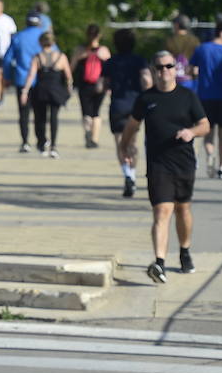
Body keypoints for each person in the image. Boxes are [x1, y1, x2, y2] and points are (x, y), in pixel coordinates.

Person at [118, 51, 210, 284]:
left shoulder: (188, 96)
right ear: (153, 70)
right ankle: (159, 262)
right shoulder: (146, 99)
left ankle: (185, 250)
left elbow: (205, 125)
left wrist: (191, 132)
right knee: (162, 211)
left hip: (184, 162)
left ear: (175, 69)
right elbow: (132, 125)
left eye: (168, 66)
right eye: (159, 67)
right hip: (158, 164)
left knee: (183, 210)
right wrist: (125, 147)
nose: (164, 71)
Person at [102, 28, 152, 197]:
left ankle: (127, 174)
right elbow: (146, 80)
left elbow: (102, 85)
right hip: (136, 106)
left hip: (117, 105)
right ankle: (133, 174)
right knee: (132, 143)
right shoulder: (140, 61)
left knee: (119, 143)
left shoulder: (110, 62)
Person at [190, 20, 222, 179]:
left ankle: (210, 155)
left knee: (208, 132)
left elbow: (191, 69)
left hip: (205, 96)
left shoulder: (201, 48)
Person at [22, 30, 73, 158]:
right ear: (53, 42)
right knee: (54, 118)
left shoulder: (37, 57)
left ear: (40, 43)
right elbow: (68, 76)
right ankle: (54, 146)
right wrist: (69, 90)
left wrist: (25, 90)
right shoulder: (61, 57)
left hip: (41, 91)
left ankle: (42, 142)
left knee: (40, 119)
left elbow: (31, 75)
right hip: (56, 91)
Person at [2, 11, 46, 153]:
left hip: (22, 79)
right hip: (41, 80)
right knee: (41, 112)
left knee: (23, 113)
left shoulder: (18, 37)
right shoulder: (44, 37)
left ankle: (25, 142)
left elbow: (8, 59)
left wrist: (7, 77)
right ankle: (41, 140)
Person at [71, 24, 111, 148]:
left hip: (84, 85)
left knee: (86, 112)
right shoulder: (104, 50)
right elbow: (110, 68)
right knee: (96, 112)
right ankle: (95, 138)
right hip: (100, 85)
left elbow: (71, 67)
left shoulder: (80, 50)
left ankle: (88, 135)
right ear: (99, 35)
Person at [167, 14, 199, 93]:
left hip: (174, 77)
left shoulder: (170, 41)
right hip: (191, 77)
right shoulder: (195, 40)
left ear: (177, 25)